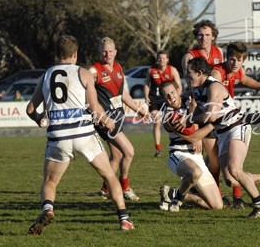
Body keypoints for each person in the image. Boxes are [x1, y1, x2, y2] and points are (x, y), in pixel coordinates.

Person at [26, 35, 134, 234]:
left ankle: (48, 208)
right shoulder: (83, 73)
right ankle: (124, 219)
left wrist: (41, 119)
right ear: (75, 54)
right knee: (110, 175)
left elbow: (31, 109)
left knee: (50, 182)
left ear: (57, 54)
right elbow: (95, 108)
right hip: (83, 134)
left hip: (58, 137)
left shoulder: (46, 75)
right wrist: (108, 122)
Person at [187, 57, 260, 218]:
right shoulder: (197, 89)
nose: (186, 76)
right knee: (231, 180)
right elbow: (199, 114)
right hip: (223, 132)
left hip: (237, 127)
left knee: (235, 170)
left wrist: (191, 118)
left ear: (199, 72)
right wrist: (191, 115)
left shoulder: (214, 87)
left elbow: (211, 117)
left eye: (188, 72)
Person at [211, 42, 260, 205]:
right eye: (232, 59)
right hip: (221, 125)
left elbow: (244, 79)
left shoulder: (235, 71)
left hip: (233, 123)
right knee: (231, 180)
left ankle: (259, 204)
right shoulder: (217, 73)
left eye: (239, 60)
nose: (235, 63)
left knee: (235, 170)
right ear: (227, 58)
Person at [181, 20, 237, 208]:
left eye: (207, 35)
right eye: (200, 35)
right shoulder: (190, 56)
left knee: (220, 159)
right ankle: (217, 196)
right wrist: (195, 131)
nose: (203, 38)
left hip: (220, 108)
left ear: (213, 36)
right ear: (195, 37)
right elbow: (192, 91)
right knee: (213, 159)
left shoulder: (219, 52)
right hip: (204, 114)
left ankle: (218, 194)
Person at [90, 37, 146, 202]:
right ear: (99, 53)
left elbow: (123, 95)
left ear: (115, 52)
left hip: (117, 116)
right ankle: (125, 187)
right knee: (129, 152)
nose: (107, 54)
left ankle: (106, 188)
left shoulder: (118, 68)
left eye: (110, 51)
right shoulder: (95, 71)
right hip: (106, 119)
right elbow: (86, 90)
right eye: (103, 51)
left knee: (117, 155)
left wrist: (138, 109)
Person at [157, 80, 223, 212]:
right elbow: (191, 135)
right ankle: (178, 200)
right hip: (179, 154)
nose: (171, 97)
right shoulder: (169, 114)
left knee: (217, 206)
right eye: (166, 96)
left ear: (178, 90)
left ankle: (173, 194)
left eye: (172, 92)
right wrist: (213, 124)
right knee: (195, 172)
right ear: (163, 99)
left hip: (197, 156)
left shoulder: (189, 100)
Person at [144, 50, 183, 157]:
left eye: (164, 58)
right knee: (157, 122)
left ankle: (179, 144)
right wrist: (146, 97)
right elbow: (147, 84)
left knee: (174, 121)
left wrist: (176, 99)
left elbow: (179, 86)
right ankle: (158, 149)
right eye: (159, 58)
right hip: (155, 100)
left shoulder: (172, 70)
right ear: (157, 59)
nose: (161, 60)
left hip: (169, 100)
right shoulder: (151, 70)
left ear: (167, 59)